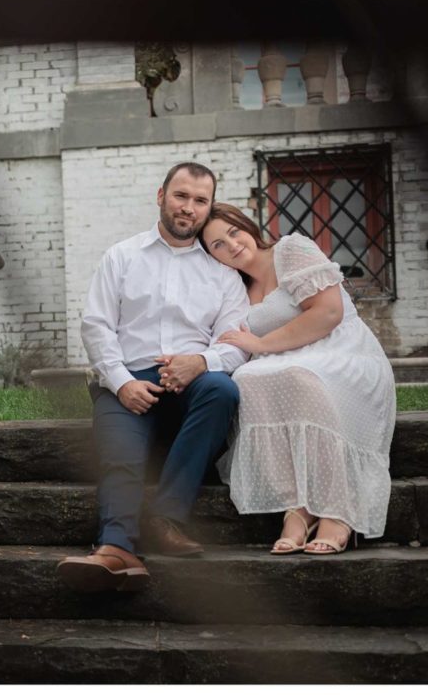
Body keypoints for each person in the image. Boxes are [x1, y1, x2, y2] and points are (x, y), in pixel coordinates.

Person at [58, 162, 248, 591]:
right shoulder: (121, 256)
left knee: (221, 388)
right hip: (127, 382)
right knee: (121, 456)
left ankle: (166, 519)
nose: (189, 208)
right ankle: (116, 548)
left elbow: (235, 343)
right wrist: (122, 382)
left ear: (209, 207)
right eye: (181, 196)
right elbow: (97, 325)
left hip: (192, 386)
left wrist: (200, 363)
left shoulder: (223, 274)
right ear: (160, 195)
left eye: (201, 201)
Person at [203, 201, 395, 554]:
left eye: (233, 232)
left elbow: (329, 312)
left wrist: (260, 343)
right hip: (283, 360)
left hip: (340, 350)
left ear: (248, 227)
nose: (231, 245)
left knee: (300, 376)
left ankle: (337, 512)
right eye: (217, 245)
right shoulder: (235, 286)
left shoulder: (290, 250)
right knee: (246, 380)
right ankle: (299, 509)